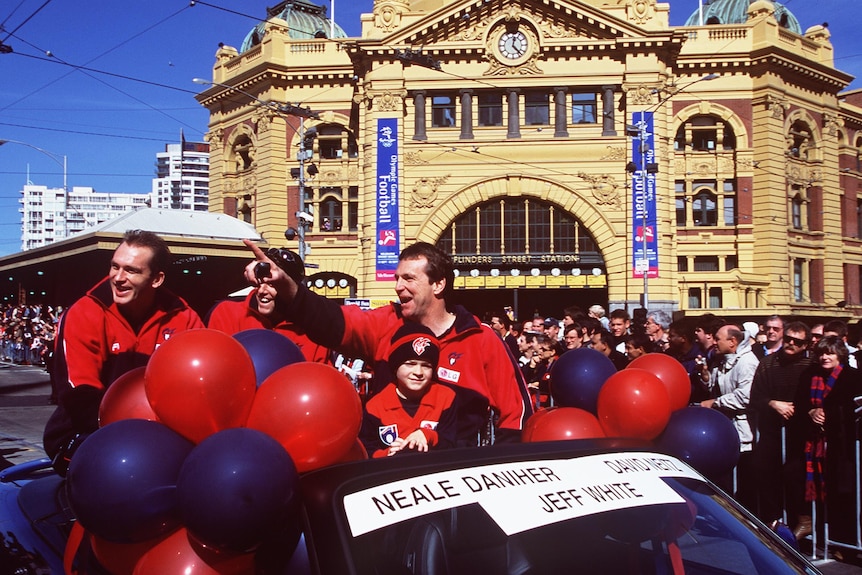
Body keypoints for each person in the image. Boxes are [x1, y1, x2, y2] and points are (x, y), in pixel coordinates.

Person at [243, 239, 532, 446]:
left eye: (408, 278)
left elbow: (516, 416)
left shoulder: (481, 339)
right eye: (396, 278)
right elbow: (330, 321)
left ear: (439, 284)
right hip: (389, 477)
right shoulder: (385, 324)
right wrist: (285, 285)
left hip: (457, 480)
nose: (397, 286)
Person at [43, 230, 204, 474]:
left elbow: (199, 387)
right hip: (84, 432)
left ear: (156, 279)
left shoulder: (184, 317)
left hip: (161, 435)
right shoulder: (86, 311)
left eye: (131, 270)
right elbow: (79, 395)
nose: (118, 278)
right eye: (114, 267)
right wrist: (135, 435)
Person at [206, 247, 330, 363]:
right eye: (260, 282)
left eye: (272, 284)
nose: (262, 291)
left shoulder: (313, 329)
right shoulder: (227, 314)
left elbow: (321, 378)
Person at [797, 335, 862, 546]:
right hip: (813, 443)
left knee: (844, 491)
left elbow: (852, 407)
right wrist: (811, 412)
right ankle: (820, 534)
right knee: (810, 484)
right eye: (822, 353)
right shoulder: (809, 375)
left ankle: (845, 539)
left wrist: (828, 414)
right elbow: (800, 403)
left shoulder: (853, 376)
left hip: (843, 445)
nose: (825, 357)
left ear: (840, 354)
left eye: (830, 353)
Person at [749, 321, 812, 531]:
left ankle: (803, 519)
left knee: (796, 474)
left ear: (805, 345)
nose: (791, 344)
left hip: (800, 430)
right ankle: (772, 519)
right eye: (789, 339)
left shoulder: (810, 366)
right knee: (762, 468)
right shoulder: (768, 363)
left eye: (797, 341)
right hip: (772, 428)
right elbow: (755, 396)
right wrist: (773, 403)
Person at [360, 323, 457, 458]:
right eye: (410, 364)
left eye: (426, 366)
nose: (418, 372)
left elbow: (455, 443)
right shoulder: (375, 407)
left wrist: (428, 435)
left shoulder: (446, 398)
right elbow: (365, 449)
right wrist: (386, 454)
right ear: (395, 367)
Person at [697, 323, 759, 509]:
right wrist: (706, 376)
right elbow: (716, 387)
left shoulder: (748, 363)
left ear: (732, 341)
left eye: (718, 339)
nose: (714, 342)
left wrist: (715, 403)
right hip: (727, 432)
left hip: (743, 433)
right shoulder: (722, 359)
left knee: (743, 484)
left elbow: (745, 396)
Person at [522, 333, 558, 409]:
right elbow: (525, 377)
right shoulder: (542, 364)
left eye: (544, 350)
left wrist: (537, 384)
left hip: (550, 403)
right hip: (538, 401)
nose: (540, 352)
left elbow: (551, 383)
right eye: (540, 349)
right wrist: (532, 366)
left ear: (552, 352)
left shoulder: (558, 364)